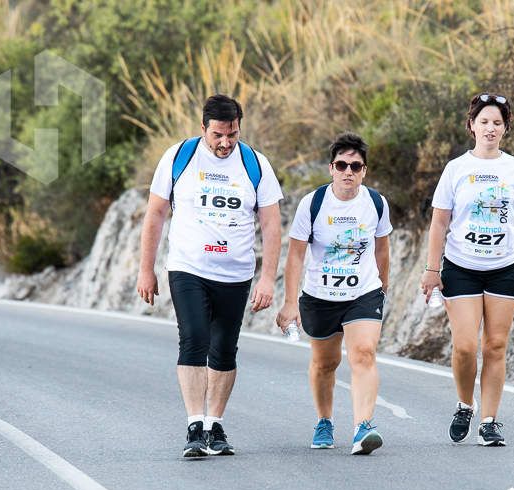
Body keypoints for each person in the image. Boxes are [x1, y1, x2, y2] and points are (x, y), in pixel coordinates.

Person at [137, 94, 283, 458]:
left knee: (223, 349)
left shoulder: (255, 164)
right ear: (202, 128)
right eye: (217, 134)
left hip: (235, 273)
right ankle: (193, 424)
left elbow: (271, 223)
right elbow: (155, 214)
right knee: (195, 338)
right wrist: (146, 268)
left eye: (232, 134)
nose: (225, 143)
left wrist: (267, 279)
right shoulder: (178, 157)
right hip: (188, 267)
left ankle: (214, 424)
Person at [420, 92, 514, 446]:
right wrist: (431, 269)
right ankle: (464, 405)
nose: (490, 128)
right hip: (462, 266)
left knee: (496, 345)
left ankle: (489, 421)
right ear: (471, 126)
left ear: (505, 129)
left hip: (505, 266)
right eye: (483, 122)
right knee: (466, 346)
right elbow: (440, 222)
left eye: (497, 123)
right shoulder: (457, 168)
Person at [276, 132, 392, 455]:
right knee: (325, 363)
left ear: (364, 171)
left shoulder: (375, 203)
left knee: (363, 353)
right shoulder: (312, 204)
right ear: (331, 168)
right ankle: (324, 420)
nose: (348, 172)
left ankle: (362, 427)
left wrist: (383, 285)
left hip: (363, 293)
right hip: (320, 296)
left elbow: (382, 247)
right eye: (342, 165)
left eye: (355, 166)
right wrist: (289, 302)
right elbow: (296, 255)